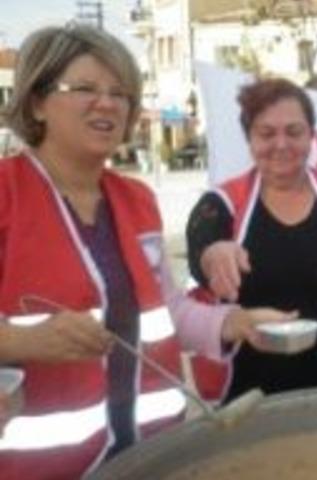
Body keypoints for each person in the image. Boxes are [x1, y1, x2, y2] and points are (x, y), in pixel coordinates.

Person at [0, 25, 287, 479]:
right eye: (86, 88)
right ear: (37, 101)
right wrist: (21, 341)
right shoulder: (6, 194)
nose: (108, 103)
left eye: (121, 93)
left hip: (149, 455)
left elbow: (164, 310)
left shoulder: (136, 199)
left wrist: (236, 322)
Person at [186, 78, 317, 400]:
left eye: (294, 132)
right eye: (266, 133)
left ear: (311, 135)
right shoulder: (221, 204)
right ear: (249, 139)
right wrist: (215, 256)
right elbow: (200, 254)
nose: (281, 144)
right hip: (250, 398)